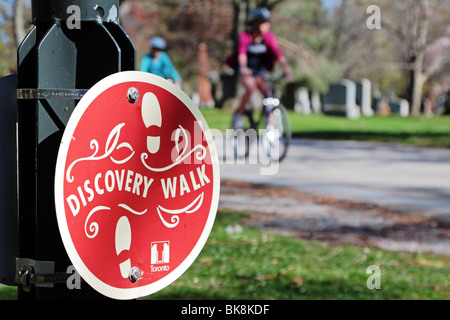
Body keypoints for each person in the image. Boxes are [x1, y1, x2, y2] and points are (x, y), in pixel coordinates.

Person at [233, 7, 292, 128]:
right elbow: (242, 54)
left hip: (260, 72)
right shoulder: (245, 36)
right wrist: (243, 68)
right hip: (246, 71)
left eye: (268, 22)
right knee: (250, 87)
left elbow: (278, 54)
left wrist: (286, 70)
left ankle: (270, 125)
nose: (267, 25)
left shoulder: (268, 37)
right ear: (256, 23)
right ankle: (239, 115)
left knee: (268, 96)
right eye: (264, 22)